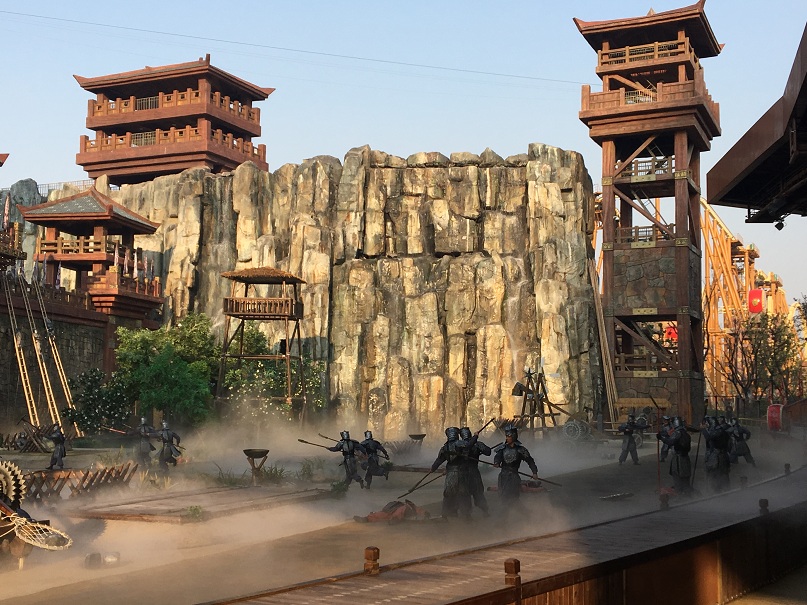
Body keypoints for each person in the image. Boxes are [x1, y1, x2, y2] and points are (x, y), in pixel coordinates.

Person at [493, 425, 538, 516]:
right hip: (503, 477)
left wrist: (534, 472)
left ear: (513, 436)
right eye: (506, 436)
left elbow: (530, 461)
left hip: (513, 477)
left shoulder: (520, 450)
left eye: (509, 436)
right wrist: (496, 462)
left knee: (513, 498)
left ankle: (523, 514)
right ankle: (506, 517)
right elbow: (497, 457)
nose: (507, 438)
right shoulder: (502, 449)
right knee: (504, 497)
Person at [430, 427, 470, 520]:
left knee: (449, 494)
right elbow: (469, 446)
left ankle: (446, 514)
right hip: (461, 472)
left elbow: (439, 460)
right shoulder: (461, 444)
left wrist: (433, 468)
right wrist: (475, 437)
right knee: (463, 493)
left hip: (452, 473)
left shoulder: (445, 447)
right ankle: (466, 514)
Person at [459, 426, 492, 517]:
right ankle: (483, 511)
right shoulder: (473, 444)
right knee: (473, 493)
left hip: (468, 472)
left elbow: (488, 452)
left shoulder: (459, 445)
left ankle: (470, 514)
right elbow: (488, 451)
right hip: (470, 472)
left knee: (471, 493)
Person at [656, 416, 692, 496]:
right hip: (686, 458)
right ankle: (686, 493)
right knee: (685, 477)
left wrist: (661, 438)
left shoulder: (677, 433)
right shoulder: (685, 433)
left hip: (679, 459)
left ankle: (680, 493)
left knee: (678, 476)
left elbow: (670, 441)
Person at [701, 415, 731, 493]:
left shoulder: (718, 431)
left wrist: (703, 429)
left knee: (717, 475)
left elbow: (709, 437)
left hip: (718, 456)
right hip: (722, 455)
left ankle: (719, 491)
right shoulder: (721, 430)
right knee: (721, 475)